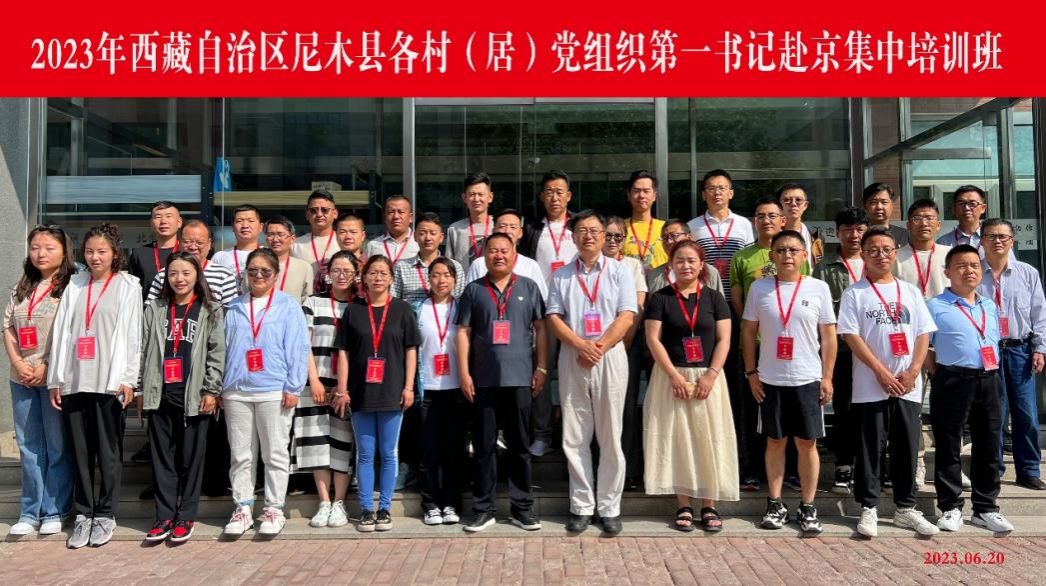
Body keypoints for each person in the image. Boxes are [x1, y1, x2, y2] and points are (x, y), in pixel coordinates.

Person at [837, 228, 939, 538]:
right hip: (870, 384)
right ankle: (868, 507)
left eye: (886, 249)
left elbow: (923, 333)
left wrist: (914, 370)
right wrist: (881, 372)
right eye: (873, 250)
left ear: (895, 253)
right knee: (871, 447)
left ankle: (905, 508)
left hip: (908, 385)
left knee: (906, 446)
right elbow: (851, 336)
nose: (880, 255)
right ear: (863, 255)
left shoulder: (910, 291)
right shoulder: (855, 293)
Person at [48, 223, 142, 549]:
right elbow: (62, 333)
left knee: (108, 451)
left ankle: (106, 513)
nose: (95, 257)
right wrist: (55, 379)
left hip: (109, 381)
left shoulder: (128, 286)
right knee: (80, 451)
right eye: (89, 251)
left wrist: (129, 379)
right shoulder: (75, 284)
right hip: (75, 378)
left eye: (102, 251)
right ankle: (84, 513)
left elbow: (133, 336)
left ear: (115, 253)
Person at [547, 210, 637, 536]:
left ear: (603, 236)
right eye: (582, 230)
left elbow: (627, 316)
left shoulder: (620, 271)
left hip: (609, 356)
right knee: (575, 434)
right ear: (573, 237)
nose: (589, 236)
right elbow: (554, 317)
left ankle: (610, 507)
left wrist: (597, 347)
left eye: (595, 231)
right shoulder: (561, 275)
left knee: (611, 434)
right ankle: (582, 505)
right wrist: (580, 345)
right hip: (573, 355)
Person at [741, 229, 836, 534]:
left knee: (807, 443)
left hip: (807, 377)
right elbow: (748, 332)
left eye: (793, 250)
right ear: (772, 256)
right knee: (775, 441)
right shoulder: (759, 288)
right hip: (770, 379)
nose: (787, 256)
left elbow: (829, 335)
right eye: (781, 250)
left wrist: (827, 376)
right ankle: (775, 503)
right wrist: (751, 373)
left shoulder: (818, 288)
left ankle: (808, 506)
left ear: (805, 255)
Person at [643, 240, 738, 532]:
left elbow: (724, 340)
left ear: (701, 265)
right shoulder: (660, 298)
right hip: (671, 378)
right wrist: (673, 376)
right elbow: (653, 339)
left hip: (709, 377)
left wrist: (711, 375)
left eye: (691, 260)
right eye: (679, 260)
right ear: (670, 264)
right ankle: (683, 504)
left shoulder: (714, 298)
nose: (685, 266)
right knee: (678, 439)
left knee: (710, 438)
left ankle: (709, 504)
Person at [456, 234, 548, 532]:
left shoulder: (529, 287)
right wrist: (464, 373)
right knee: (484, 447)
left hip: (521, 379)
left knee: (519, 446)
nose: (499, 255)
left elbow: (541, 328)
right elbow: (463, 333)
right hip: (483, 380)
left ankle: (522, 508)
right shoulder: (473, 290)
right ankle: (484, 509)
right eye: (493, 250)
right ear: (484, 256)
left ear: (514, 254)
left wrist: (542, 367)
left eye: (504, 251)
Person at [221, 248, 309, 538]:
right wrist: (222, 385)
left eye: (265, 271)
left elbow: (298, 347)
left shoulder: (287, 305)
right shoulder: (234, 307)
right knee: (241, 455)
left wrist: (294, 386)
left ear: (276, 274)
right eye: (253, 271)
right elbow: (224, 347)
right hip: (237, 390)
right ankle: (243, 507)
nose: (258, 275)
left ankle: (273, 508)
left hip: (274, 389)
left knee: (275, 453)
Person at [926, 245, 1013, 533]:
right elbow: (923, 346)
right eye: (961, 265)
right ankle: (950, 507)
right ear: (947, 272)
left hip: (989, 379)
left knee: (988, 444)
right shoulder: (934, 306)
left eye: (974, 265)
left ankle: (985, 508)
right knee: (949, 444)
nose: (969, 271)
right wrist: (939, 371)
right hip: (952, 380)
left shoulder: (988, 305)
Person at [139, 252, 225, 543]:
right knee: (162, 460)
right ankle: (164, 516)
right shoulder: (155, 308)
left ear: (197, 275)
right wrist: (140, 389)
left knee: (190, 459)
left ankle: (186, 516)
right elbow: (142, 350)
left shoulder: (210, 309)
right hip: (159, 393)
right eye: (173, 273)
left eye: (186, 273)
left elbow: (217, 353)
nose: (180, 279)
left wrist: (211, 390)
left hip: (194, 397)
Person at [333, 255, 420, 532]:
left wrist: (408, 387)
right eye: (373, 273)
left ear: (392, 278)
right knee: (366, 453)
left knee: (389, 452)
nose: (378, 277)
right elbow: (344, 352)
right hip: (361, 392)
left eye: (383, 273)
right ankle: (366, 510)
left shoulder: (403, 309)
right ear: (364, 278)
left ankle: (384, 508)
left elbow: (411, 350)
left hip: (393, 391)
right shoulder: (354, 310)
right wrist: (343, 389)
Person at [730, 196, 809, 492]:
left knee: (789, 411)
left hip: (791, 346)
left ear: (783, 220)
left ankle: (791, 471)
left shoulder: (795, 252)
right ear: (754, 222)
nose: (766, 220)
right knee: (753, 409)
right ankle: (751, 469)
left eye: (772, 215)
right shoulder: (742, 257)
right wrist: (758, 326)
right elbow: (738, 299)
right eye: (761, 216)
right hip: (755, 344)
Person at [3, 225, 75, 537]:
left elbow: (72, 333)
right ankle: (30, 511)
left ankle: (55, 509)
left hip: (54, 377)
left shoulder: (72, 287)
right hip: (20, 377)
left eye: (49, 247)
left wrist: (47, 366)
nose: (41, 253)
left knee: (57, 446)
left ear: (64, 251)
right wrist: (18, 363)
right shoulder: (21, 287)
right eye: (35, 247)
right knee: (29, 446)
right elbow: (7, 328)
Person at [978, 219, 1046, 491]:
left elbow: (1039, 313)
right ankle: (993, 470)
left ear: (1012, 241)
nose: (997, 241)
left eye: (1003, 237)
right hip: (987, 350)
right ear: (982, 240)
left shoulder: (1027, 273)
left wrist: (1040, 348)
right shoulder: (974, 272)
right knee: (993, 414)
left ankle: (1028, 470)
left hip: (1020, 349)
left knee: (1026, 413)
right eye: (991, 236)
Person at [894, 198, 953, 489]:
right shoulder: (896, 257)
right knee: (912, 407)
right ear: (908, 224)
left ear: (938, 224)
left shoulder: (950, 254)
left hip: (947, 340)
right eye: (917, 218)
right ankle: (916, 463)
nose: (924, 223)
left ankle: (949, 464)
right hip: (910, 342)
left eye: (929, 218)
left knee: (949, 408)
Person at [298, 252, 359, 529]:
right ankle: (324, 501)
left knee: (342, 443)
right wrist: (314, 380)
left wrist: (345, 388)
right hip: (316, 383)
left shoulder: (360, 305)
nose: (341, 275)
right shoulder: (313, 302)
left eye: (347, 270)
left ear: (356, 275)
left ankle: (339, 502)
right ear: (327, 274)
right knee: (317, 443)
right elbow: (304, 344)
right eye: (336, 270)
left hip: (345, 388)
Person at [812, 207, 869, 494]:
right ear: (838, 232)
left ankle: (871, 466)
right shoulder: (824, 267)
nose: (854, 235)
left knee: (873, 409)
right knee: (845, 408)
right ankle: (844, 464)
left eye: (859, 229)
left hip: (875, 350)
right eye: (848, 229)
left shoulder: (879, 260)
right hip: (843, 350)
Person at [519, 171, 577, 458]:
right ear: (542, 196)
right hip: (542, 313)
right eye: (549, 191)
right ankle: (542, 433)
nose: (555, 197)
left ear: (569, 196)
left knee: (574, 375)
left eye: (560, 191)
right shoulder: (531, 228)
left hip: (575, 313)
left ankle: (572, 434)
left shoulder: (579, 227)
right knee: (540, 372)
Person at [416, 258, 466, 526]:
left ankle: (451, 503)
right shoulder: (417, 309)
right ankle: (430, 504)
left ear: (455, 280)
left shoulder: (463, 308)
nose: (441, 280)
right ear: (428, 279)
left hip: (456, 388)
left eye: (447, 274)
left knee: (453, 450)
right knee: (428, 451)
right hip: (427, 390)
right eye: (435, 275)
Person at [604, 215, 649, 491]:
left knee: (626, 407)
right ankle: (601, 467)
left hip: (626, 344)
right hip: (596, 345)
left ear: (625, 240)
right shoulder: (590, 264)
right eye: (607, 235)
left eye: (617, 236)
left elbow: (638, 306)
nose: (612, 241)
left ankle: (629, 470)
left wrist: (625, 340)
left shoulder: (632, 265)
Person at [688, 169, 755, 303]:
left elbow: (749, 262)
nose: (717, 192)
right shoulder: (692, 226)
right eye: (711, 188)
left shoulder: (744, 224)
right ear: (703, 195)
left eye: (722, 188)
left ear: (731, 193)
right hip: (705, 297)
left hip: (738, 297)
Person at [145, 220, 238, 308]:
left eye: (199, 242)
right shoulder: (164, 274)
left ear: (209, 244)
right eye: (187, 242)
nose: (193, 247)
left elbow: (229, 312)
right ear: (179, 243)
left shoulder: (224, 275)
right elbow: (151, 310)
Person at [464, 209, 549, 301]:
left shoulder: (531, 265)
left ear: (520, 233)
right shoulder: (479, 264)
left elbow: (542, 299)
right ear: (493, 230)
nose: (507, 231)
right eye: (502, 226)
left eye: (513, 227)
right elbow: (469, 298)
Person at [391, 212, 465, 307]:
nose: (428, 238)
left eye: (433, 233)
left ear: (441, 237)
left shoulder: (455, 267)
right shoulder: (401, 267)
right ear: (415, 236)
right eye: (422, 233)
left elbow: (460, 301)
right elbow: (393, 302)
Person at [644, 219, 725, 297]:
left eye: (673, 236)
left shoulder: (710, 272)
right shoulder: (654, 276)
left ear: (689, 237)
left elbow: (719, 303)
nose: (669, 241)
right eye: (664, 238)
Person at [128, 201, 183, 302]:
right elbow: (132, 292)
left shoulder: (186, 252)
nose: (163, 221)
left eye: (168, 216)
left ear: (179, 222)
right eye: (158, 217)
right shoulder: (139, 254)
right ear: (151, 223)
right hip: (148, 310)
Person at [292, 189, 340, 295]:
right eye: (313, 210)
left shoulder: (344, 242)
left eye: (325, 210)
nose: (319, 214)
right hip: (305, 300)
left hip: (338, 300)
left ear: (335, 213)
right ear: (307, 215)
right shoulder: (295, 245)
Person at [446, 172, 495, 269]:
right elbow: (449, 266)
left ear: (490, 197)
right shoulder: (455, 229)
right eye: (472, 194)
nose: (476, 199)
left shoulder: (499, 226)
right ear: (464, 197)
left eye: (481, 194)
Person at [621, 170, 667, 273]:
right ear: (629, 195)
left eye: (646, 191)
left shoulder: (666, 229)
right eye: (636, 191)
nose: (641, 195)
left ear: (654, 196)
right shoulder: (619, 229)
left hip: (660, 282)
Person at [211, 204, 263, 292]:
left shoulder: (269, 255)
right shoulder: (219, 257)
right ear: (233, 227)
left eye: (251, 221)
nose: (245, 225)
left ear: (261, 227)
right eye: (239, 221)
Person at [264, 216, 315, 303]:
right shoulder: (256, 265)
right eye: (271, 234)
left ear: (292, 239)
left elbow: (307, 301)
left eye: (280, 234)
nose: (275, 239)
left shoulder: (304, 268)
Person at [776, 183, 825, 265]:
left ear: (805, 205)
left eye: (798, 200)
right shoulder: (772, 234)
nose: (793, 204)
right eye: (787, 200)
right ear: (778, 205)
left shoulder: (815, 235)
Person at [364, 195, 419, 264]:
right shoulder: (373, 245)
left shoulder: (419, 243)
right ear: (385, 217)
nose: (396, 216)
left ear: (411, 217)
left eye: (401, 212)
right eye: (391, 212)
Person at [862, 183, 909, 247]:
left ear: (892, 205)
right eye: (873, 202)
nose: (879, 207)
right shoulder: (859, 234)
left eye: (884, 202)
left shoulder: (905, 235)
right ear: (865, 206)